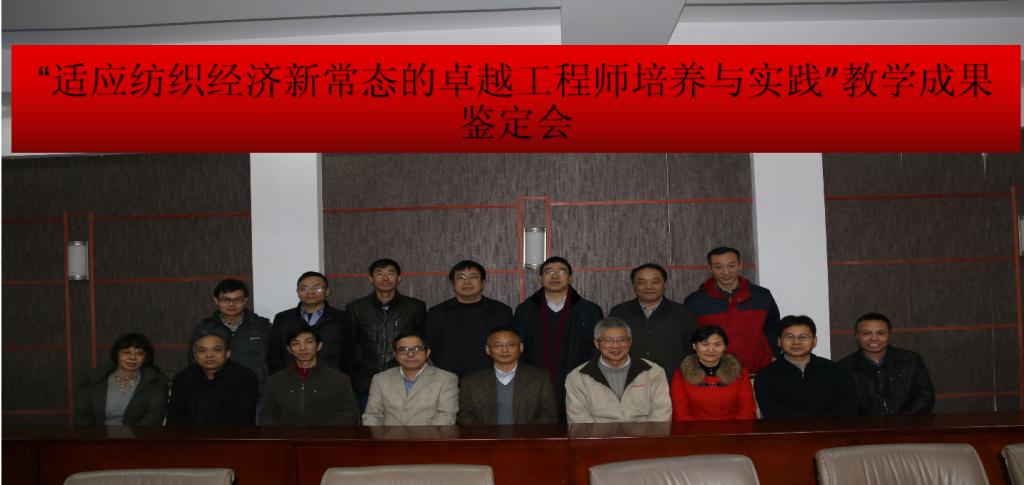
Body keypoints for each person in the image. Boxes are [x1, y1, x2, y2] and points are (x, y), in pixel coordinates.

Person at [514, 256, 603, 421]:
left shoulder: (590, 310)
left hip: (578, 384)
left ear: (570, 278)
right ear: (540, 279)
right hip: (534, 384)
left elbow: (596, 351)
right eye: (548, 272)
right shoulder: (525, 310)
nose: (555, 276)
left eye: (561, 271)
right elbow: (518, 350)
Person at [683, 247, 780, 375]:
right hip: (715, 374)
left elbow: (774, 329)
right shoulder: (695, 301)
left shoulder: (762, 296)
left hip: (760, 371)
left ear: (740, 265)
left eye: (731, 265)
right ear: (710, 268)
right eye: (718, 267)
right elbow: (688, 338)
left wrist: (774, 354)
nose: (726, 271)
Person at [348, 259, 427, 407]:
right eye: (379, 274)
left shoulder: (415, 307)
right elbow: (350, 346)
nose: (385, 278)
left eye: (390, 273)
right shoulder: (355, 309)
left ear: (399, 278)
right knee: (369, 420)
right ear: (371, 279)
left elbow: (423, 343)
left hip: (404, 379)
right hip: (365, 383)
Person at [565, 317, 671, 423]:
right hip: (598, 434)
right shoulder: (578, 377)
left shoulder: (653, 372)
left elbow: (662, 415)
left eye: (622, 340)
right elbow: (579, 423)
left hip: (645, 433)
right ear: (597, 343)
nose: (615, 346)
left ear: (630, 342)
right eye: (608, 340)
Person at [754, 315, 859, 418]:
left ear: (814, 341)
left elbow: (848, 404)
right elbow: (773, 410)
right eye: (789, 337)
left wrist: (822, 424)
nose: (796, 342)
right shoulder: (766, 376)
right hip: (787, 429)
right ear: (779, 341)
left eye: (803, 337)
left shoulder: (834, 370)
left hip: (831, 427)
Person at [425, 260, 514, 379]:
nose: (467, 282)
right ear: (453, 283)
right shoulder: (437, 313)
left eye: (473, 277)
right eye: (461, 277)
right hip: (450, 380)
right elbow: (431, 348)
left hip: (491, 379)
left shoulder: (501, 311)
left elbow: (510, 347)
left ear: (483, 283)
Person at [609, 263, 697, 378]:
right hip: (628, 380)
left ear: (665, 284)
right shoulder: (619, 313)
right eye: (642, 282)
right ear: (634, 286)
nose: (648, 287)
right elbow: (608, 347)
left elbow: (692, 351)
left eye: (655, 282)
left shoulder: (683, 313)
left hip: (671, 380)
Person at [837, 312, 935, 415]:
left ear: (889, 335)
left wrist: (901, 421)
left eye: (880, 333)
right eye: (866, 333)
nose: (874, 338)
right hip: (865, 425)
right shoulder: (844, 368)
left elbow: (925, 396)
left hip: (908, 423)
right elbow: (843, 405)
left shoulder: (910, 360)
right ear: (857, 336)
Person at [457, 327, 557, 425]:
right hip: (485, 436)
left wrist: (524, 434)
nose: (504, 350)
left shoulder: (540, 378)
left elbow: (549, 415)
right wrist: (487, 434)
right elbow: (464, 416)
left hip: (529, 435)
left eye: (511, 345)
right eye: (498, 345)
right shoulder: (470, 382)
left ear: (521, 347)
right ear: (488, 349)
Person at [261, 328, 359, 426]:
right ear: (289, 349)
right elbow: (267, 415)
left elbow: (347, 413)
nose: (302, 348)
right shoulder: (274, 381)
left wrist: (322, 433)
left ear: (319, 345)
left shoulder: (339, 380)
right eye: (295, 343)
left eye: (308, 342)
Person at [269, 271, 355, 379]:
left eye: (317, 288)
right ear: (298, 292)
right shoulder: (283, 319)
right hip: (292, 380)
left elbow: (352, 354)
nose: (310, 292)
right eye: (304, 288)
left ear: (327, 291)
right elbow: (275, 356)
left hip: (332, 380)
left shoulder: (342, 318)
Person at [188, 279, 271, 388]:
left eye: (238, 299)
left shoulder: (262, 326)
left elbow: (275, 360)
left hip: (255, 390)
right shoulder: (204, 329)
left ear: (245, 300)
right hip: (215, 390)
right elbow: (194, 361)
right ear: (216, 301)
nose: (232, 304)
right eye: (226, 299)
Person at [362, 332, 458, 426]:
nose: (410, 354)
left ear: (427, 353)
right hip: (388, 436)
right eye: (403, 350)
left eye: (417, 349)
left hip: (429, 436)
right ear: (395, 355)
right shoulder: (380, 379)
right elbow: (372, 415)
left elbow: (446, 418)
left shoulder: (446, 379)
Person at [166, 330, 259, 426]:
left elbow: (241, 419)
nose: (209, 355)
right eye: (203, 350)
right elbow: (175, 417)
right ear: (195, 356)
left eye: (216, 350)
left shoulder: (244, 377)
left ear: (227, 354)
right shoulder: (183, 378)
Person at [74, 333, 168, 426]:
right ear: (117, 354)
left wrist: (128, 435)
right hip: (98, 434)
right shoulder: (94, 380)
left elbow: (153, 418)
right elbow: (82, 416)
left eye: (139, 353)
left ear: (145, 357)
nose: (132, 358)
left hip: (139, 434)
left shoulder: (155, 383)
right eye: (126, 352)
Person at [669, 325, 756, 421]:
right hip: (693, 429)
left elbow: (747, 412)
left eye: (717, 345)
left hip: (735, 428)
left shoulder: (740, 373)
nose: (711, 350)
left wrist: (734, 430)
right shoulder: (681, 375)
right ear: (694, 346)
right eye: (705, 344)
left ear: (725, 347)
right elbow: (681, 414)